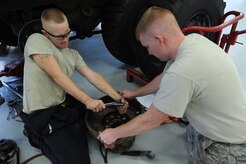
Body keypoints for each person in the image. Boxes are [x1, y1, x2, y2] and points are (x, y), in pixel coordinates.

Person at [98, 6, 246, 163]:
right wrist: (134, 94)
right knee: (190, 131)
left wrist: (112, 134)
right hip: (230, 122)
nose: (148, 53)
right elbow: (164, 78)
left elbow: (151, 119)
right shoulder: (192, 41)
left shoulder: (182, 70)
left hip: (231, 143)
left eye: (147, 46)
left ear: (159, 39)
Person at [20, 8, 127, 164]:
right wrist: (87, 100)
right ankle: (35, 136)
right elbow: (57, 75)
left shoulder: (72, 54)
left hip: (62, 103)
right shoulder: (36, 40)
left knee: (91, 119)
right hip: (42, 113)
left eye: (67, 33)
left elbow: (93, 76)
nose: (65, 39)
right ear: (46, 34)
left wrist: (118, 97)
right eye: (59, 37)